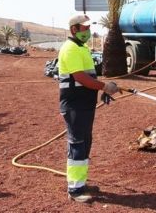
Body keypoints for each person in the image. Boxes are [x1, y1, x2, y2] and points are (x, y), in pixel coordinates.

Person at [58, 14, 120, 203]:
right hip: (74, 105)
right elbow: (80, 78)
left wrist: (101, 89)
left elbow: (89, 78)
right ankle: (75, 190)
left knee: (85, 142)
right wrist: (103, 87)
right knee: (77, 144)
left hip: (84, 104)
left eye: (88, 27)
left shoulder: (81, 48)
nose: (88, 31)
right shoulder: (70, 49)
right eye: (84, 28)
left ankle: (80, 182)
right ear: (74, 29)